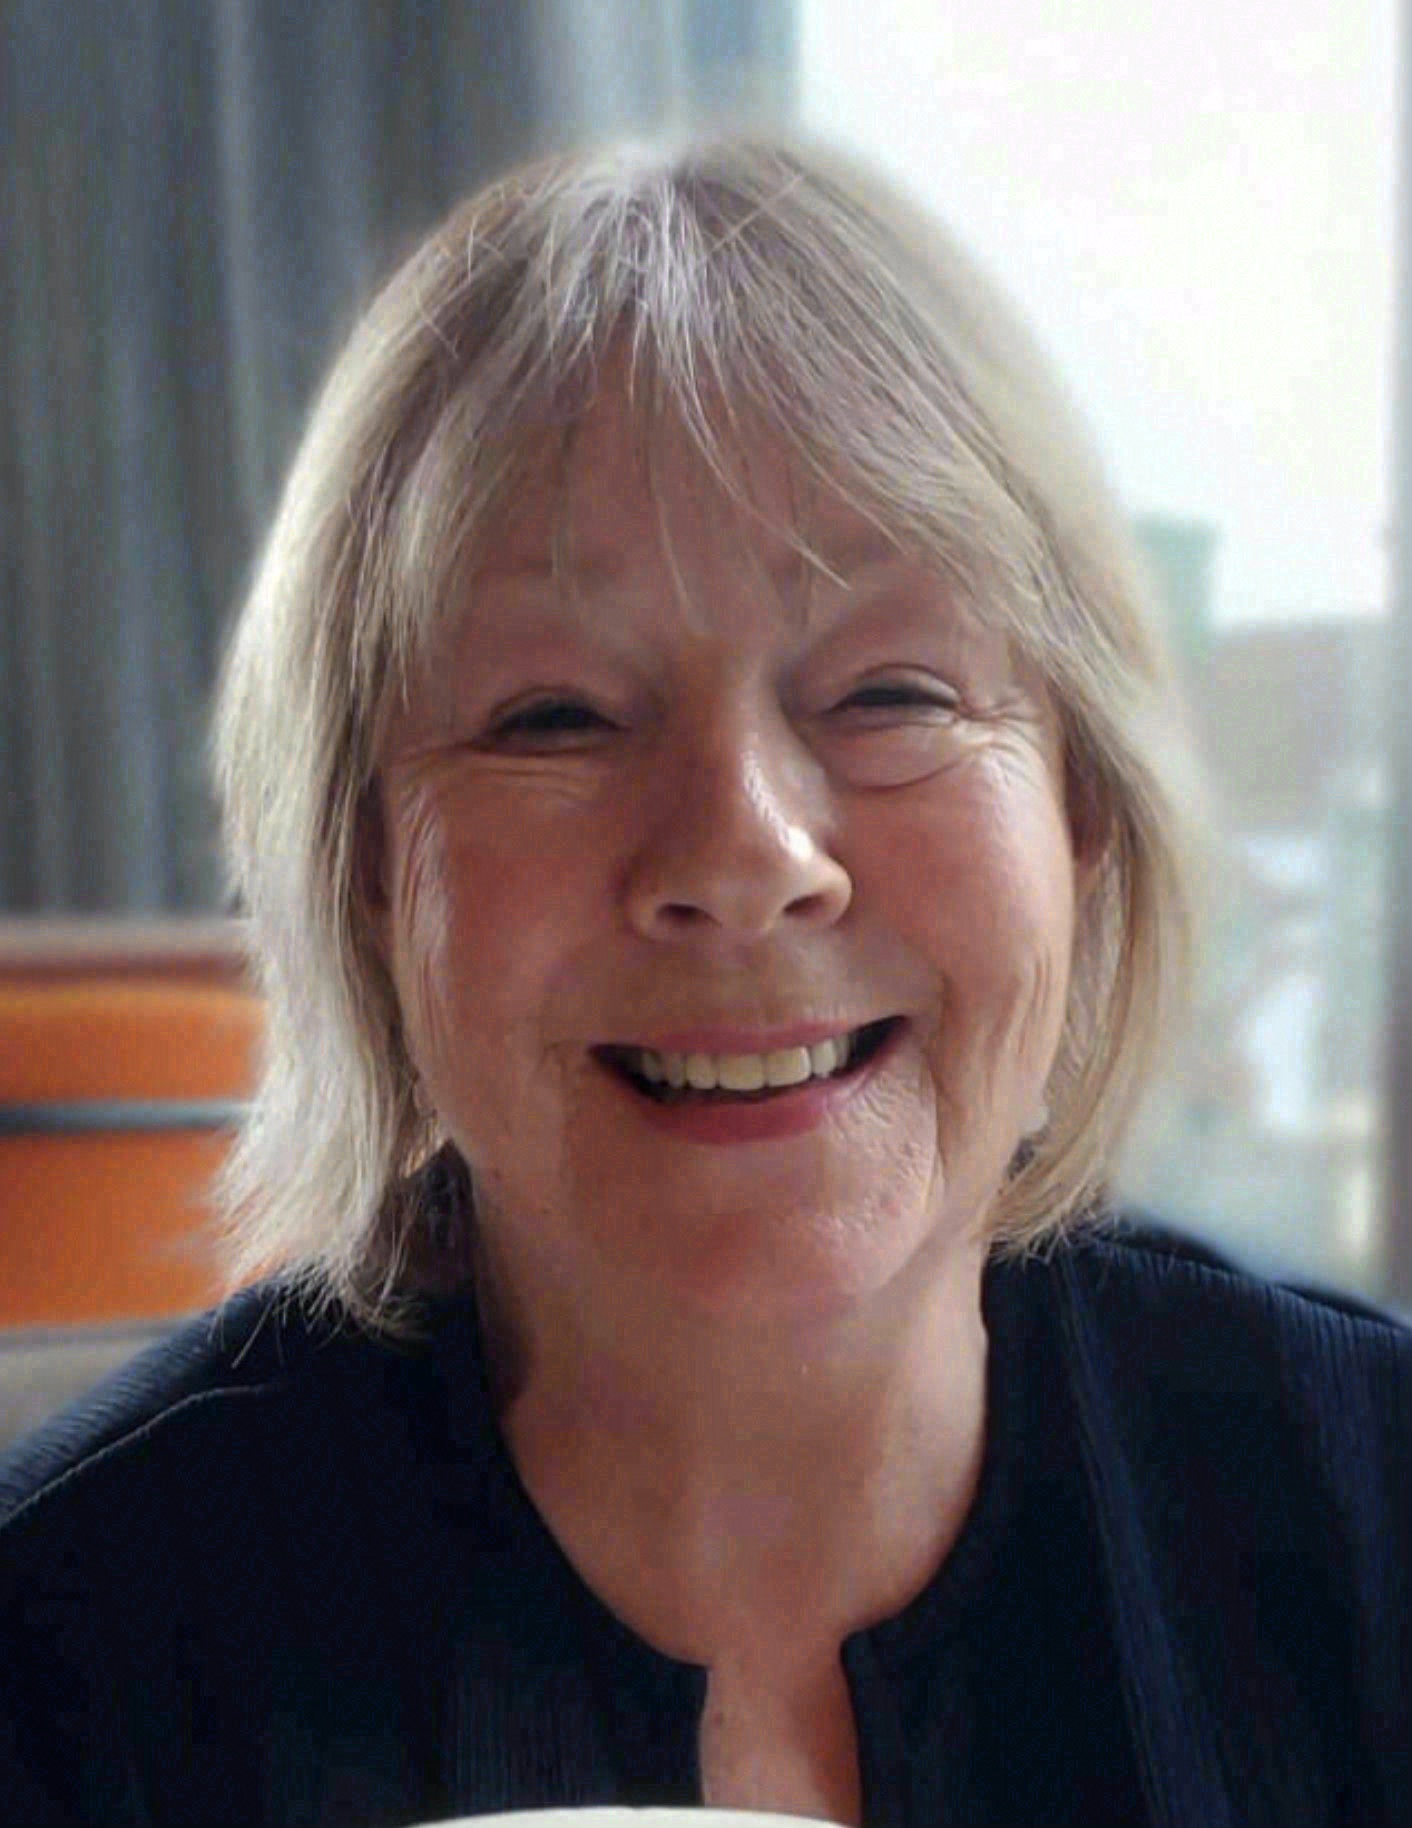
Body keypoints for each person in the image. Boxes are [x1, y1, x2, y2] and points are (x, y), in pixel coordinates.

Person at [2, 136, 1408, 1828]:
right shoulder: (57, 1657)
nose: (744, 854)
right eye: (557, 716)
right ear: (368, 865)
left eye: (891, 692)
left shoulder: (1371, 1510)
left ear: (1083, 810)